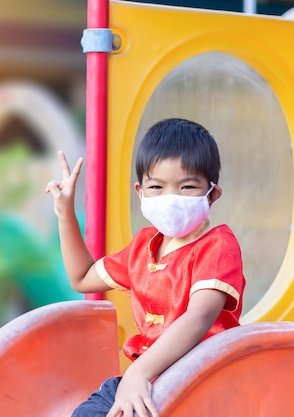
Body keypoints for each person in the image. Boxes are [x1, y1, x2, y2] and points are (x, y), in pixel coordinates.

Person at [45, 118, 246, 417]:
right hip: (148, 377)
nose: (170, 198)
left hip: (202, 380)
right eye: (157, 187)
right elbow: (82, 277)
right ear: (140, 192)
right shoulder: (143, 246)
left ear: (212, 194)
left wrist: (138, 373)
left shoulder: (217, 246)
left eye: (187, 186)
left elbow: (200, 315)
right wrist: (65, 215)